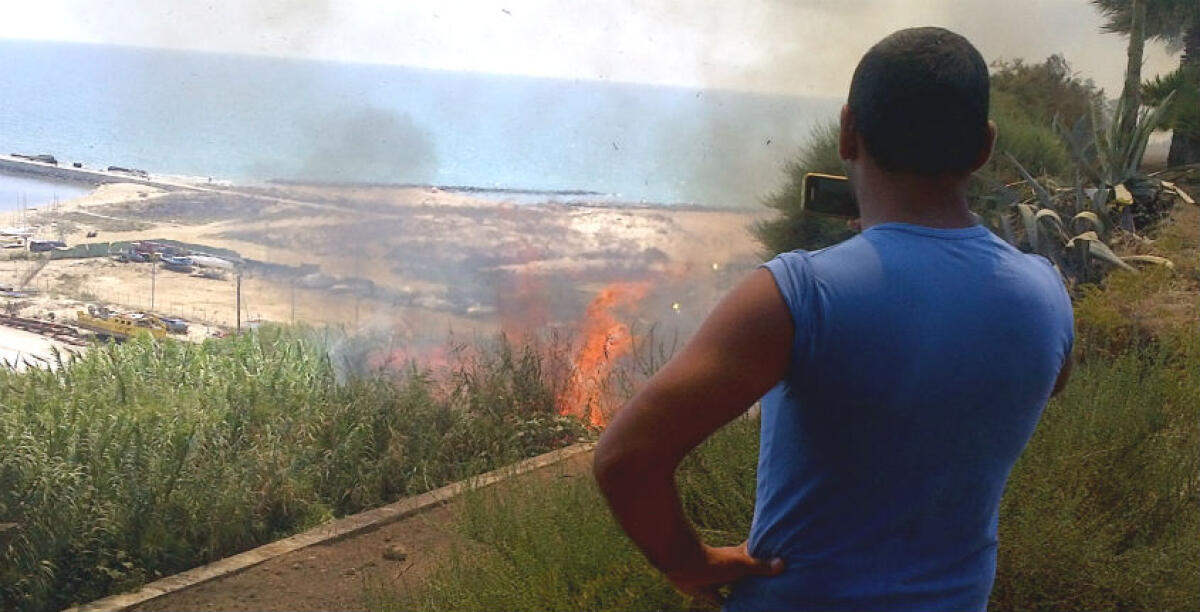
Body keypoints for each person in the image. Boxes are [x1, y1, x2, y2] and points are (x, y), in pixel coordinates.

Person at [593, 27, 1074, 612]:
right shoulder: (1046, 295)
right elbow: (1023, 380)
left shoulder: (796, 294)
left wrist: (690, 563)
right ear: (983, 147)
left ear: (848, 131)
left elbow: (626, 458)